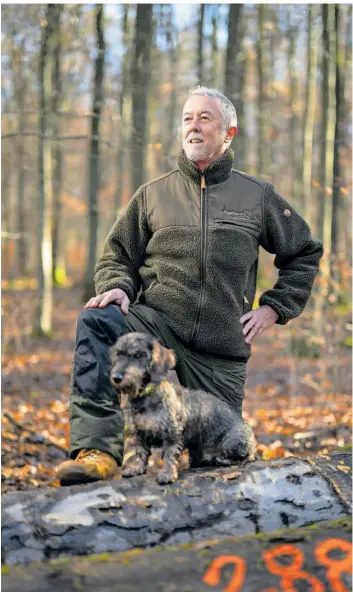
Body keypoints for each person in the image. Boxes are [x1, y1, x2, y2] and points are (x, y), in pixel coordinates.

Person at [56, 86, 323, 486]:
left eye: (204, 118)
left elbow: (304, 252)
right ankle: (98, 451)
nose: (193, 126)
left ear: (229, 133)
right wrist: (118, 287)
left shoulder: (257, 196)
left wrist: (274, 307)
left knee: (217, 464)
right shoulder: (152, 194)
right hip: (159, 327)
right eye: (187, 118)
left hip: (220, 348)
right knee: (99, 320)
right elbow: (116, 255)